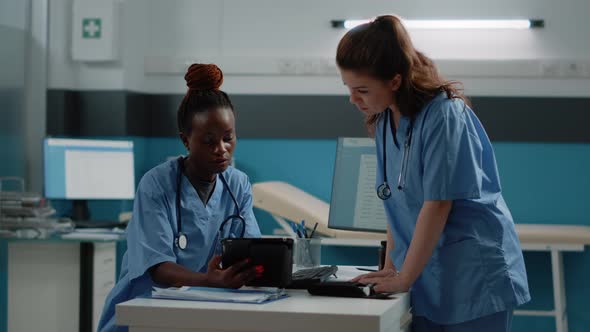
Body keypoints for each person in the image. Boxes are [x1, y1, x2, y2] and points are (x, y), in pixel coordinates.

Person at [338, 15, 530, 331]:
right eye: (348, 88)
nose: (352, 99)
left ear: (395, 81)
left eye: (361, 90)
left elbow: (438, 203)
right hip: (427, 274)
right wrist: (391, 268)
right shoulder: (385, 119)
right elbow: (395, 202)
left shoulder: (445, 115)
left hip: (473, 276)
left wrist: (404, 277)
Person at [98, 63, 262, 332]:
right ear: (186, 141)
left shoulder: (238, 184)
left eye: (228, 138)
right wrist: (210, 280)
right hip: (146, 309)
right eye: (209, 141)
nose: (221, 150)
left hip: (204, 307)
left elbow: (250, 246)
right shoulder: (156, 185)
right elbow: (158, 266)